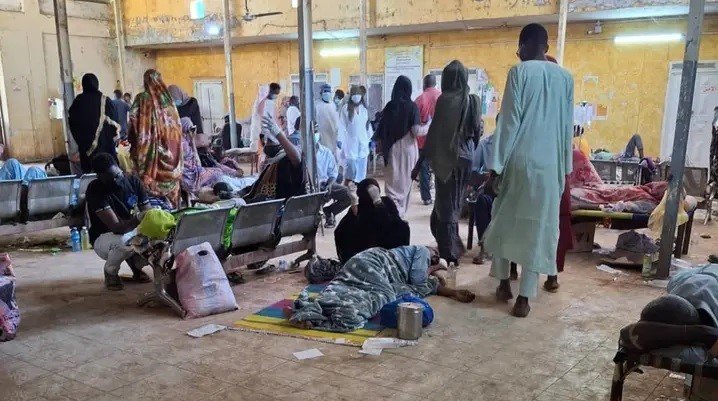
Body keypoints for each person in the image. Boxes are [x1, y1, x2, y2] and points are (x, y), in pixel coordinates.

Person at [483, 23, 574, 318]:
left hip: (520, 160)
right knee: (539, 229)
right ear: (545, 47)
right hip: (551, 166)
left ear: (522, 46)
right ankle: (524, 298)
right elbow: (567, 128)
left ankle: (504, 284)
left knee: (503, 219)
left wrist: (496, 167)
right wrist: (565, 169)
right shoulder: (565, 78)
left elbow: (509, 122)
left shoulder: (519, 73)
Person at [289, 245, 475, 332]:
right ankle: (320, 313)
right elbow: (418, 279)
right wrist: (436, 269)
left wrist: (448, 289)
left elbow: (414, 285)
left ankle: (316, 310)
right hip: (373, 263)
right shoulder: (424, 251)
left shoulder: (410, 259)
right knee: (383, 294)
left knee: (346, 287)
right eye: (435, 257)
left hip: (362, 262)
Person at [421, 60, 482, 265]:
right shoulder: (473, 100)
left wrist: (422, 160)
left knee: (446, 206)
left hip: (448, 160)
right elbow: (477, 133)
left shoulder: (445, 100)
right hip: (467, 159)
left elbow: (435, 132)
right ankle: (453, 245)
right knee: (454, 203)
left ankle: (449, 254)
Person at [85, 153, 152, 290]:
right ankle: (110, 272)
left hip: (130, 231)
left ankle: (135, 265)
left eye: (117, 175)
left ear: (119, 168)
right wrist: (138, 218)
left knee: (159, 239)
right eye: (111, 178)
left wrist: (152, 217)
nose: (116, 181)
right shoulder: (95, 189)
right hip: (105, 238)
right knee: (123, 242)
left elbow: (148, 213)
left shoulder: (133, 181)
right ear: (100, 176)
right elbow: (116, 227)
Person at [374, 76, 429, 218]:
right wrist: (429, 125)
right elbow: (416, 131)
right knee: (405, 186)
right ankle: (400, 215)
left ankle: (393, 215)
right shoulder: (412, 107)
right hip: (407, 151)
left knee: (392, 187)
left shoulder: (389, 107)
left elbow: (380, 132)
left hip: (390, 151)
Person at [128, 69, 184, 207]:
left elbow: (133, 120)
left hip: (150, 157)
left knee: (148, 196)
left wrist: (133, 140)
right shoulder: (170, 102)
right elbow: (178, 129)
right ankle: (174, 213)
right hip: (172, 158)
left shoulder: (142, 98)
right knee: (173, 203)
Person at [334, 178, 410, 264]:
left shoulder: (386, 202)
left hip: (387, 247)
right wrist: (354, 202)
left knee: (403, 226)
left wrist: (378, 203)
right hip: (364, 252)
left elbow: (390, 223)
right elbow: (345, 230)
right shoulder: (360, 206)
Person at [180, 117, 254, 198]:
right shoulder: (185, 145)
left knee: (222, 173)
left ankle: (242, 186)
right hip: (196, 178)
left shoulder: (187, 143)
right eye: (192, 129)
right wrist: (193, 141)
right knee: (220, 174)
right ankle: (240, 188)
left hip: (203, 172)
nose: (193, 132)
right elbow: (198, 164)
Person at [241, 114, 306, 202]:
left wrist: (278, 133)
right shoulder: (271, 163)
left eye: (270, 140)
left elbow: (296, 158)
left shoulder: (286, 159)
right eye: (265, 140)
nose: (266, 143)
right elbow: (255, 187)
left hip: (281, 207)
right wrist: (238, 194)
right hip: (263, 204)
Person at [68, 73, 120, 173]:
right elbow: (115, 124)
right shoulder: (105, 100)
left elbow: (72, 123)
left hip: (86, 151)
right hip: (106, 148)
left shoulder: (78, 102)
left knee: (90, 175)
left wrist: (81, 141)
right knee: (108, 172)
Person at [414, 74, 441, 205]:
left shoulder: (419, 99)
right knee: (440, 170)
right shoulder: (442, 97)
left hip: (422, 141)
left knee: (424, 170)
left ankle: (426, 198)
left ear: (424, 84)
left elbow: (414, 122)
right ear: (435, 84)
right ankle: (439, 198)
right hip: (439, 142)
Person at [338, 86, 372, 185]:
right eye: (354, 94)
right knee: (351, 169)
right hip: (351, 143)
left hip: (363, 143)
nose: (356, 96)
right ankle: (348, 187)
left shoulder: (364, 109)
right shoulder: (345, 109)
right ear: (351, 96)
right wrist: (339, 139)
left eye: (358, 94)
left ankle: (360, 187)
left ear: (361, 96)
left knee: (361, 171)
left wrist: (371, 139)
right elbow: (341, 125)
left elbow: (367, 125)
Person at [316, 84, 340, 158]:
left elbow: (336, 119)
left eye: (328, 91)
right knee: (324, 155)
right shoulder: (317, 105)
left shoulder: (332, 104)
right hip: (322, 135)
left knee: (333, 156)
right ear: (321, 93)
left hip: (333, 134)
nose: (327, 93)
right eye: (325, 91)